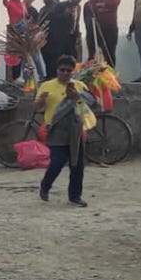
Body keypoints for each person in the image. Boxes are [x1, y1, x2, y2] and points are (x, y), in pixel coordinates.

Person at [36, 55, 91, 207]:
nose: (66, 73)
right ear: (57, 70)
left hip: (76, 130)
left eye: (69, 70)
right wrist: (41, 100)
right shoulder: (47, 86)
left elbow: (89, 105)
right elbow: (37, 107)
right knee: (57, 161)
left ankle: (75, 196)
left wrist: (77, 97)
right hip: (55, 130)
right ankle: (45, 185)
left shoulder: (79, 86)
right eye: (62, 70)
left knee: (77, 164)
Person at [42, 0, 83, 76]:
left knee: (72, 56)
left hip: (71, 37)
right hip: (59, 37)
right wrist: (64, 15)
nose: (78, 0)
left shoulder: (78, 7)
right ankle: (54, 76)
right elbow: (51, 17)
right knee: (58, 57)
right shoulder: (62, 5)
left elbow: (76, 21)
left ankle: (70, 75)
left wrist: (77, 33)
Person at [88, 0, 121, 65]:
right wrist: (105, 7)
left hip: (111, 28)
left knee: (110, 51)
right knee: (98, 51)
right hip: (98, 28)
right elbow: (91, 6)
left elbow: (114, 4)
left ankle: (111, 72)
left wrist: (101, 6)